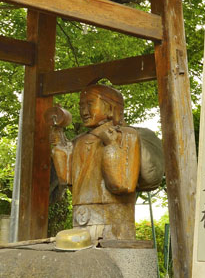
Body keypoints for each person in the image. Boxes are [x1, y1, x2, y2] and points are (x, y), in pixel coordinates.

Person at [49, 84, 142, 240]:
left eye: (90, 104)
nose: (84, 111)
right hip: (81, 215)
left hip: (114, 220)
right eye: (81, 106)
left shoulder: (127, 135)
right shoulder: (79, 141)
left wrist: (111, 146)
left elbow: (122, 184)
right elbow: (69, 181)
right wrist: (59, 145)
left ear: (111, 108)